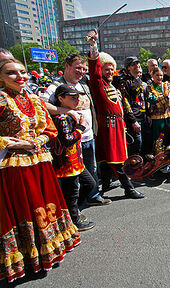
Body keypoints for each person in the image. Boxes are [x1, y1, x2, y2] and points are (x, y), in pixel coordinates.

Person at [0, 58, 80, 282]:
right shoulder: (1, 100)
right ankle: (26, 259)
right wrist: (11, 143)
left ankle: (49, 248)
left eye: (23, 72)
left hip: (41, 162)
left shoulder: (34, 99)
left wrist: (40, 139)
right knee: (25, 208)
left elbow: (50, 129)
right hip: (14, 166)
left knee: (45, 205)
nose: (20, 77)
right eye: (12, 73)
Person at [42, 54, 110, 206]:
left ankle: (92, 197)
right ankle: (71, 207)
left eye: (84, 69)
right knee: (70, 176)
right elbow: (42, 104)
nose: (81, 72)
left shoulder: (84, 83)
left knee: (90, 168)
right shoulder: (56, 86)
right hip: (69, 140)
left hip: (88, 135)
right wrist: (65, 111)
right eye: (78, 68)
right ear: (66, 66)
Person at [86, 29, 144, 199]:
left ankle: (105, 183)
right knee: (117, 158)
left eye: (112, 69)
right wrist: (93, 45)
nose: (110, 72)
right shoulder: (98, 84)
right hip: (108, 125)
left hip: (118, 125)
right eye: (106, 69)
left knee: (106, 158)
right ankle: (129, 188)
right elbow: (93, 69)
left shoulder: (112, 86)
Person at [51, 84, 96, 231]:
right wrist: (81, 127)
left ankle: (74, 212)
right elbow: (68, 140)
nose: (76, 100)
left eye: (77, 97)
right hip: (66, 163)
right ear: (61, 98)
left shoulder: (70, 115)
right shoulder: (61, 118)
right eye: (72, 97)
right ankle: (73, 220)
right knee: (72, 193)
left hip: (76, 161)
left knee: (89, 184)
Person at [112, 56, 148, 156]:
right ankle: (133, 169)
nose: (137, 66)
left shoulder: (139, 80)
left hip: (143, 117)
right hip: (134, 120)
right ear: (128, 68)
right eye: (133, 64)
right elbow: (125, 102)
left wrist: (147, 115)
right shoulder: (125, 81)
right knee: (136, 145)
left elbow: (143, 99)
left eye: (137, 63)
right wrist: (133, 121)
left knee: (144, 146)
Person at [146, 67, 170, 152]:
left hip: (168, 116)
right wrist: (165, 97)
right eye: (157, 75)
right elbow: (151, 99)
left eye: (161, 75)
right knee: (158, 138)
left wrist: (160, 98)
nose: (159, 77)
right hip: (157, 118)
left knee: (169, 137)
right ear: (152, 76)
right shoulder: (149, 87)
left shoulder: (167, 84)